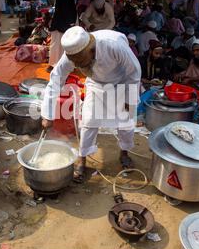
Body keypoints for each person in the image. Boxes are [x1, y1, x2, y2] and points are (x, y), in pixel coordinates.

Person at [41, 26, 141, 183]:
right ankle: (82, 159)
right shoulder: (72, 53)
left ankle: (124, 152)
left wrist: (130, 98)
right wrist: (47, 115)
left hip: (122, 82)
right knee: (88, 122)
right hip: (96, 84)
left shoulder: (114, 45)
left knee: (126, 123)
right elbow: (56, 78)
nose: (78, 65)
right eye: (75, 62)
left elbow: (134, 72)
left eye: (81, 61)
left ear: (91, 50)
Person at [48, 0, 78, 68]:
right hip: (61, 22)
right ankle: (54, 64)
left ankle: (57, 64)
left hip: (61, 22)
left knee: (58, 45)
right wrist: (71, 22)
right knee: (58, 44)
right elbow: (65, 8)